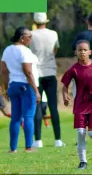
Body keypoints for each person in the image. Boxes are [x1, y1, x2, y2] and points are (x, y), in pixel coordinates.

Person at [61, 40, 92, 170]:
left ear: (89, 52)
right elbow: (64, 85)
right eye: (79, 50)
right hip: (80, 105)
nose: (82, 52)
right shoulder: (74, 69)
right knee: (81, 133)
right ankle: (83, 162)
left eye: (84, 50)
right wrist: (65, 96)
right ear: (76, 52)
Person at [1, 27, 41, 153]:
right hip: (26, 86)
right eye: (29, 37)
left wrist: (6, 88)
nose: (31, 39)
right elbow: (28, 72)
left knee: (15, 118)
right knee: (28, 116)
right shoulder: (25, 52)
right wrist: (36, 91)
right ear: (22, 38)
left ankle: (13, 149)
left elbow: (4, 71)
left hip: (13, 85)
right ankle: (29, 147)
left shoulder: (7, 50)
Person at [30, 12, 64, 147]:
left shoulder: (31, 35)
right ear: (46, 21)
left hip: (36, 73)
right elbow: (55, 50)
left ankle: (38, 140)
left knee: (37, 107)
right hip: (50, 71)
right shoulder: (53, 34)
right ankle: (58, 140)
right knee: (53, 107)